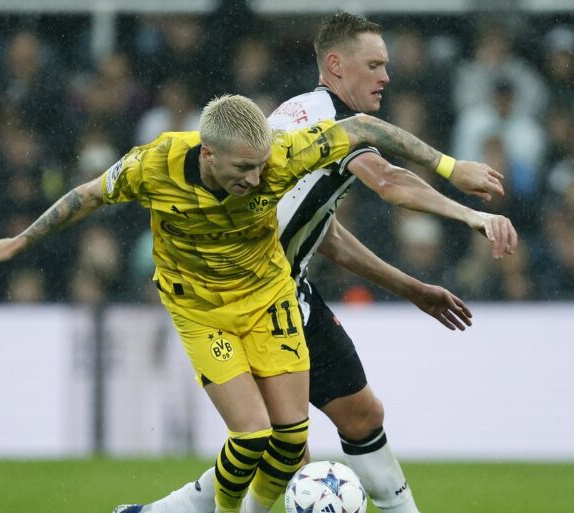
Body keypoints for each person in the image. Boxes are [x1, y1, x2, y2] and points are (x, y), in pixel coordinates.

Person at [0, 92, 513, 513]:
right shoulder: (153, 164)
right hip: (202, 312)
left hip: (270, 299)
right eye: (243, 168)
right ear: (207, 154)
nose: (257, 178)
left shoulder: (281, 156)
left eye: (261, 166)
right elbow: (87, 196)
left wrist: (450, 168)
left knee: (291, 440)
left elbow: (365, 127)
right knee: (251, 437)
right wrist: (20, 242)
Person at [127, 11, 517, 513]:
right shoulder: (330, 123)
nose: (386, 76)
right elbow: (389, 180)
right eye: (374, 65)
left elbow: (322, 232)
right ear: (336, 65)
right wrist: (471, 214)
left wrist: (411, 288)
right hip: (249, 300)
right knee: (282, 449)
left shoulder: (296, 110)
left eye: (385, 65)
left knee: (361, 414)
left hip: (290, 290)